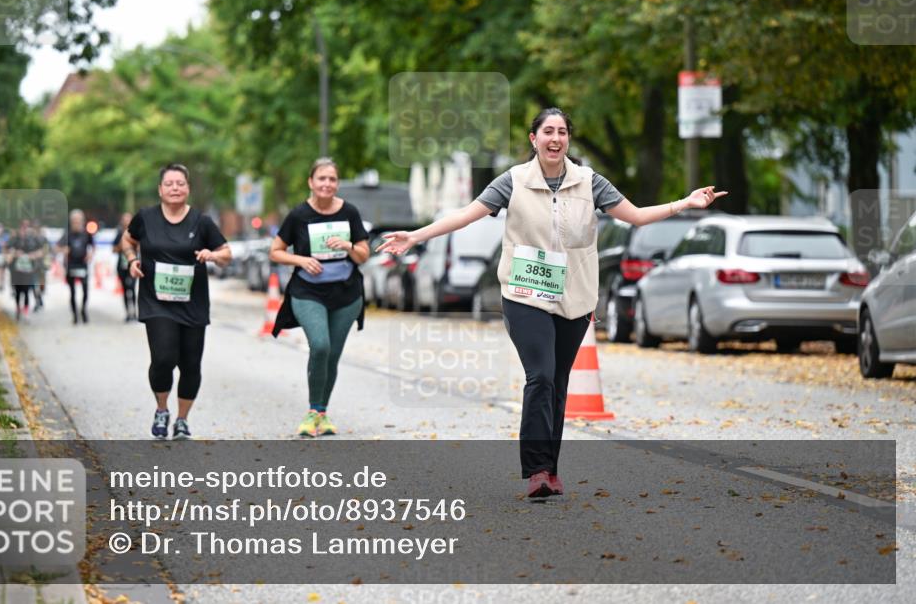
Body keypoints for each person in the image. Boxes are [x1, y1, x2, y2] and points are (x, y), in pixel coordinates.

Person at [379, 108, 726, 498]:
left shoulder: (590, 182)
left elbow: (637, 217)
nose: (555, 138)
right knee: (540, 376)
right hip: (525, 294)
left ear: (568, 140)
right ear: (534, 139)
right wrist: (415, 237)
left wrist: (686, 202)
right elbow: (466, 215)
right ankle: (537, 470)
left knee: (558, 385)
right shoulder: (513, 181)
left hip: (574, 297)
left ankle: (552, 470)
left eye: (562, 131)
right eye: (548, 131)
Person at [120, 164, 231, 440]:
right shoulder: (145, 217)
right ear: (160, 189)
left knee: (191, 364)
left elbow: (226, 252)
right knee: (163, 358)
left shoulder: (201, 222)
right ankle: (161, 409)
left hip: (192, 303)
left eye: (180, 183)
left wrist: (212, 255)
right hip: (156, 301)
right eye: (169, 184)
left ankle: (182, 419)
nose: (175, 188)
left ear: (188, 188)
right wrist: (132, 260)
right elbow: (127, 240)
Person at [269, 158, 370, 438]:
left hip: (346, 295)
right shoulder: (299, 215)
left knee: (333, 356)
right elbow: (275, 251)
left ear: (337, 184)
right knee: (321, 346)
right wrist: (301, 260)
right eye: (321, 179)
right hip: (308, 291)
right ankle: (313, 411)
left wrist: (349, 245)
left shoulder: (349, 212)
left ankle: (322, 413)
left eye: (332, 179)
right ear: (311, 183)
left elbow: (363, 254)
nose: (327, 184)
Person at [58, 210, 95, 324]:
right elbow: (57, 247)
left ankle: (83, 310)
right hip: (71, 265)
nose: (76, 223)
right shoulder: (67, 233)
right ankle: (75, 315)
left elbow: (93, 246)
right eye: (74, 221)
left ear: (82, 221)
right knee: (72, 292)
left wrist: (90, 254)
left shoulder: (86, 233)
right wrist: (64, 250)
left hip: (82, 265)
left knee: (85, 290)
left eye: (78, 221)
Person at [7, 220, 43, 321]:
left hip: (28, 270)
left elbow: (41, 251)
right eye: (23, 226)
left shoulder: (33, 239)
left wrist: (33, 255)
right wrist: (14, 253)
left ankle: (26, 311)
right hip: (16, 270)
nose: (24, 229)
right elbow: (6, 249)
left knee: (27, 291)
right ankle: (18, 308)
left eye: (26, 226)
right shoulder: (14, 239)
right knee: (18, 291)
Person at [113, 212, 138, 322]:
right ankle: (128, 313)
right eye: (124, 219)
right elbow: (113, 249)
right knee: (125, 289)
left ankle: (134, 313)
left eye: (128, 219)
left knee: (132, 288)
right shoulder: (119, 233)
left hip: (134, 265)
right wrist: (122, 245)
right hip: (121, 266)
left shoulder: (136, 233)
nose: (126, 222)